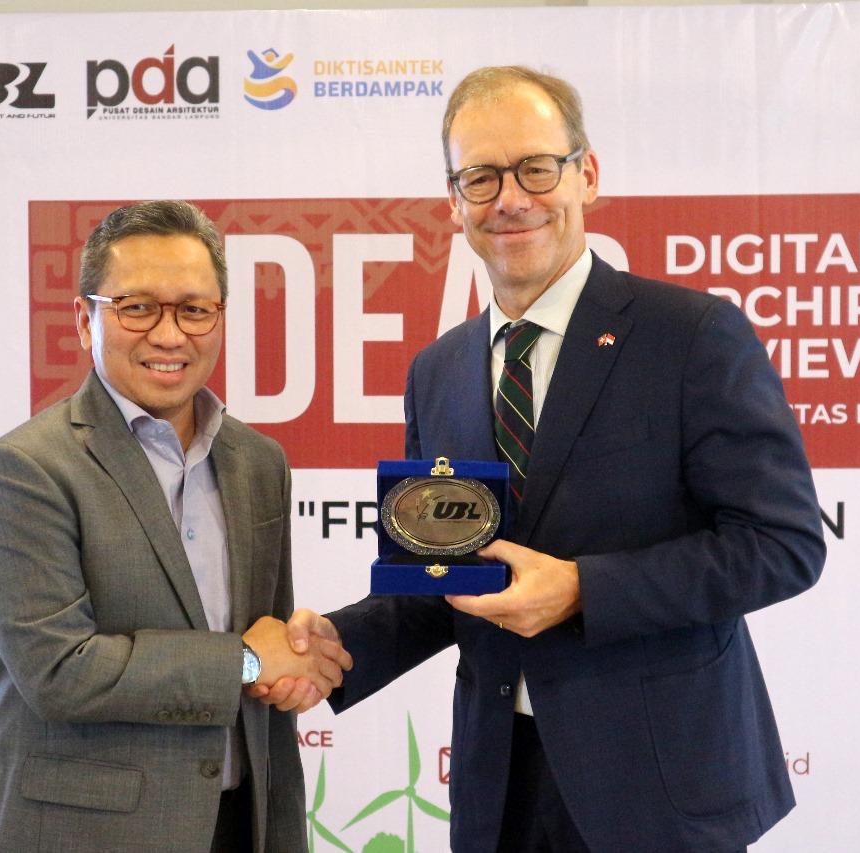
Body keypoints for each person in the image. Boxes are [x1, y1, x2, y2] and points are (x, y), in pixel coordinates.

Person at [254, 67, 826, 852]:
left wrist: (583, 589)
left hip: (660, 784)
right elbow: (446, 577)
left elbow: (782, 544)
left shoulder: (691, 335)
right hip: (500, 784)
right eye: (481, 178)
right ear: (453, 200)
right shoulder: (437, 371)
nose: (510, 199)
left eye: (536, 168)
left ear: (586, 175)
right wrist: (332, 647)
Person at [0, 200, 351, 853]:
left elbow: (264, 652)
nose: (170, 336)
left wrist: (295, 663)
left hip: (238, 822)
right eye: (137, 307)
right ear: (84, 320)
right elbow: (59, 671)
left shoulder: (259, 462)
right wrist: (247, 660)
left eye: (195, 310)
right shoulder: (25, 468)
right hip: (86, 834)